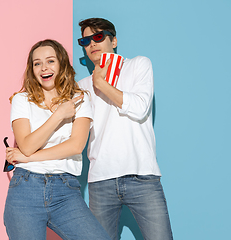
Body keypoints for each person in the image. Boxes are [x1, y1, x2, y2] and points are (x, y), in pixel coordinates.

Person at [3, 39, 111, 240]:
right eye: (37, 63)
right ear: (32, 69)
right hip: (26, 189)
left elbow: (75, 146)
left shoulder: (80, 98)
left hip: (65, 190)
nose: (44, 67)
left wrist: (29, 158)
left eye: (50, 61)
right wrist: (59, 114)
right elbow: (26, 145)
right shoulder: (21, 100)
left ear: (61, 64)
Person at [76, 18, 173, 240]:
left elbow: (139, 108)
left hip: (142, 176)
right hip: (100, 181)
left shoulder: (138, 65)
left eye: (98, 37)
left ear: (114, 40)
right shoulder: (81, 87)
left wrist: (101, 85)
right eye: (86, 40)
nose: (92, 43)